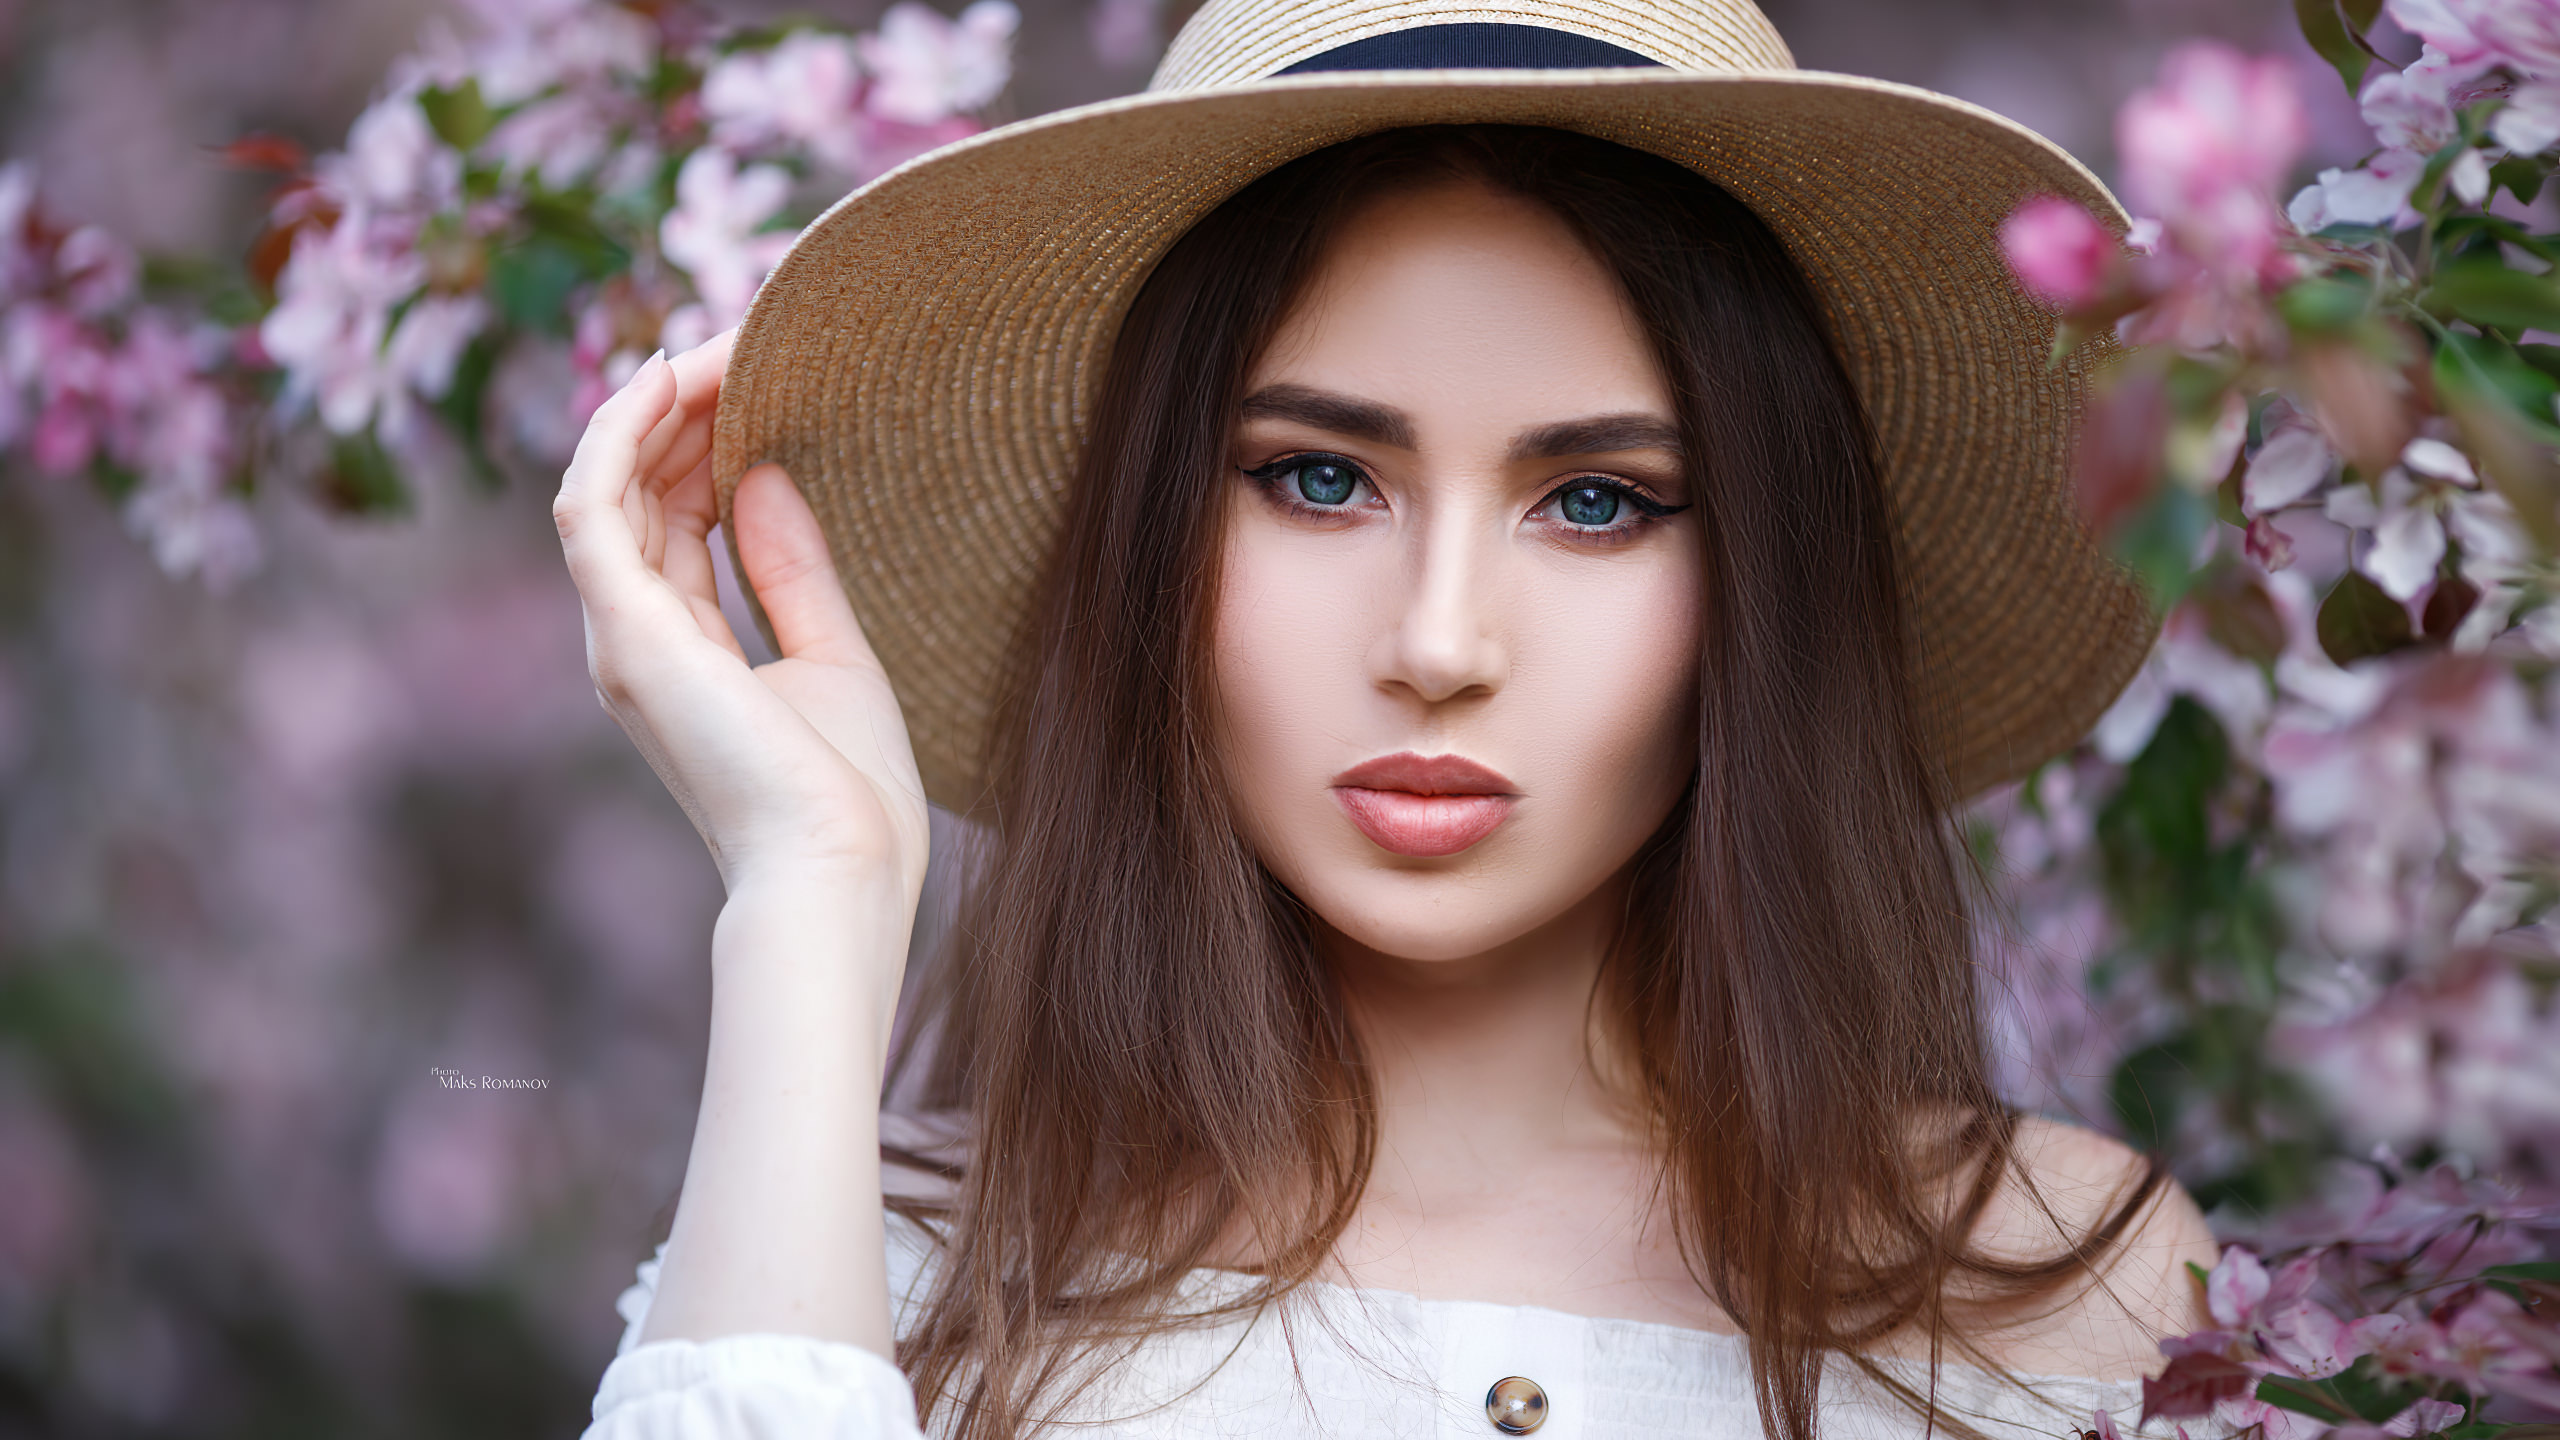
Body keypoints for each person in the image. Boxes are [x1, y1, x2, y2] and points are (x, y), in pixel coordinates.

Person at [553, 2, 2216, 1437]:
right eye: (1319, 479)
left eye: (1598, 501)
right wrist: (810, 895)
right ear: (1155, 537)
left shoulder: (2074, 1294)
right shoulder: (853, 1274)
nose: (1438, 645)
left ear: (1764, 575)